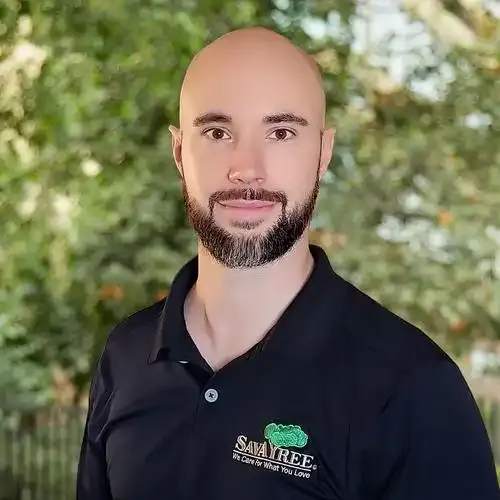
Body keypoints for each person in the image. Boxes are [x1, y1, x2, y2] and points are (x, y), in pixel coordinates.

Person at [76, 27, 500, 500]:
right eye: (217, 132)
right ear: (179, 152)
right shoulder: (126, 355)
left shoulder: (413, 388)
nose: (247, 168)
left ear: (323, 153)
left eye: (281, 133)